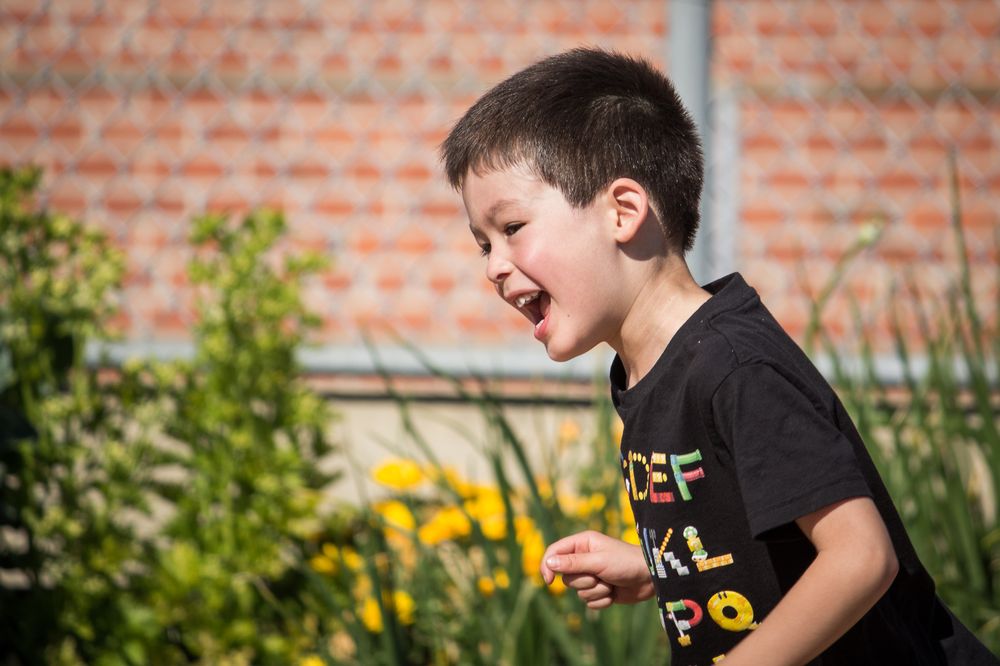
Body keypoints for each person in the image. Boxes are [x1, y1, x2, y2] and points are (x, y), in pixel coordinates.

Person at [440, 47, 996, 665]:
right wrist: (661, 569)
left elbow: (861, 558)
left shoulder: (734, 368)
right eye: (482, 244)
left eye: (511, 228)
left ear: (623, 212)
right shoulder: (648, 368)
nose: (493, 266)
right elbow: (764, 533)